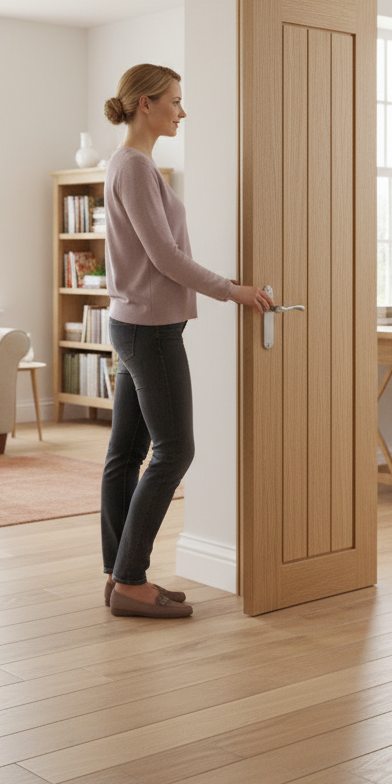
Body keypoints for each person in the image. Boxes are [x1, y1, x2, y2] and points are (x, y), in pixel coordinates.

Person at [100, 63, 272, 618]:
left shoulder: (138, 164)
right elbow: (165, 258)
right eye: (174, 100)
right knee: (176, 450)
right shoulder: (133, 167)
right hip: (148, 329)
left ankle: (119, 573)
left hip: (136, 322)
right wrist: (234, 291)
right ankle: (129, 580)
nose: (182, 109)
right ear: (145, 104)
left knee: (126, 453)